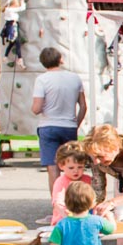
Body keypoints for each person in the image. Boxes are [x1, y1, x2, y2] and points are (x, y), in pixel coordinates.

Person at [32, 46, 87, 195]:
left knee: (53, 167)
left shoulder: (42, 80)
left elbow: (36, 108)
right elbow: (83, 106)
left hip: (48, 126)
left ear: (43, 62)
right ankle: (76, 201)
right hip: (69, 126)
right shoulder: (74, 78)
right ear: (60, 59)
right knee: (74, 165)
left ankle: (57, 206)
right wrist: (76, 124)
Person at [50, 141, 91, 225]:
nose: (76, 171)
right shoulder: (61, 181)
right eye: (71, 168)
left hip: (84, 218)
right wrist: (66, 216)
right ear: (61, 166)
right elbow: (57, 202)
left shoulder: (88, 180)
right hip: (63, 219)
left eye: (80, 167)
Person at [1, 0, 27, 70]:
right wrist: (22, 0)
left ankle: (5, 56)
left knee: (12, 43)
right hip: (13, 27)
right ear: (15, 5)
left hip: (10, 26)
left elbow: (9, 2)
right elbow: (22, 8)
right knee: (17, 43)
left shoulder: (7, 9)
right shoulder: (11, 9)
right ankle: (20, 59)